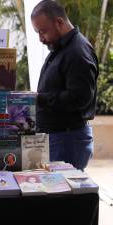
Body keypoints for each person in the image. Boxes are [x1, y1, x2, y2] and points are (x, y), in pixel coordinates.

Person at [31, 0, 99, 170]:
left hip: (66, 138)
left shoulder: (78, 52)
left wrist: (41, 99)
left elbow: (80, 98)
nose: (40, 39)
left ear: (59, 22)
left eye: (43, 31)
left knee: (64, 195)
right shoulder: (61, 48)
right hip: (59, 137)